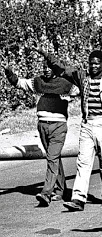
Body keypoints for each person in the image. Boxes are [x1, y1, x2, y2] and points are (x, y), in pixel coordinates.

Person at [36, 48, 102, 211]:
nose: (94, 66)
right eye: (91, 63)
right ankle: (78, 198)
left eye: (97, 63)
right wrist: (45, 54)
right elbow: (62, 68)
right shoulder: (83, 77)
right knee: (83, 161)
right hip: (87, 124)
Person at [1, 58, 77, 206]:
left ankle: (46, 193)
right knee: (52, 158)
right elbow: (19, 83)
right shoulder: (38, 82)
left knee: (52, 158)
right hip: (42, 125)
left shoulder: (66, 84)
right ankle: (61, 190)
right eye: (44, 67)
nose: (46, 69)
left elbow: (83, 89)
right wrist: (9, 73)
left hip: (58, 127)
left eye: (49, 67)